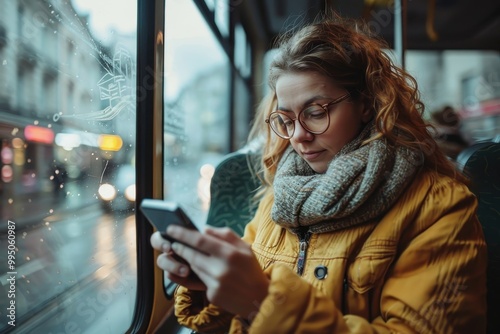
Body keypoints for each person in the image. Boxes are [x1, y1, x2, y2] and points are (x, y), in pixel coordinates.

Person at [151, 13, 487, 333]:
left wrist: (261, 301)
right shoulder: (278, 196)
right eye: (285, 119)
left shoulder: (439, 207)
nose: (298, 135)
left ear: (367, 103)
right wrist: (210, 284)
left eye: (315, 112)